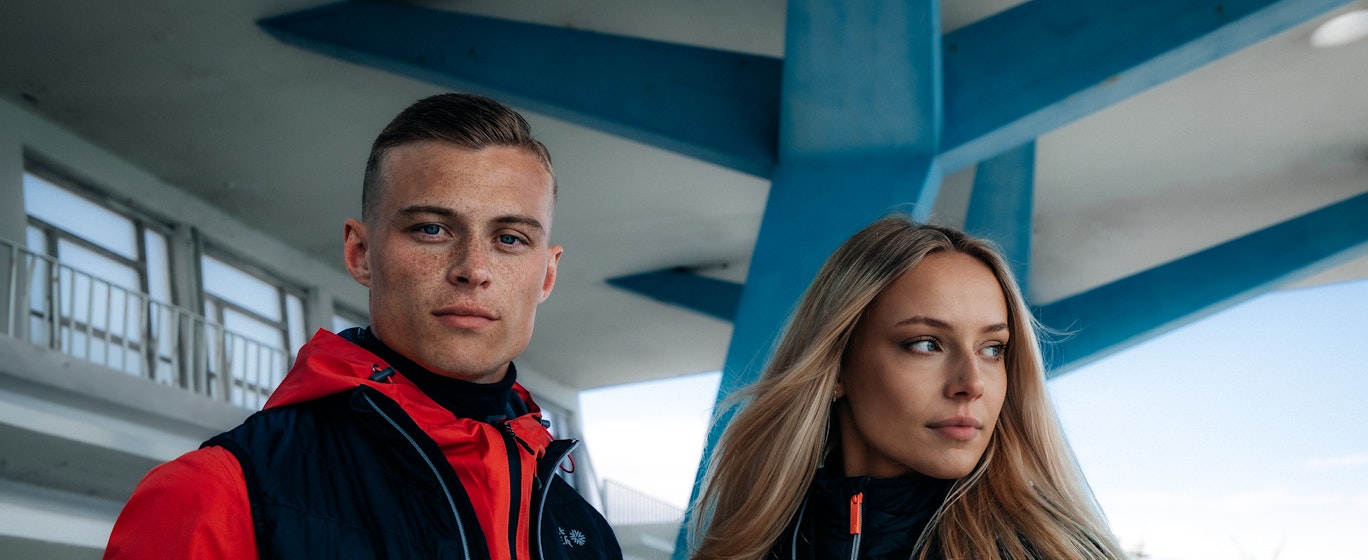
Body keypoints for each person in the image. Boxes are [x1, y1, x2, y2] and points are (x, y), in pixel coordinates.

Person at [105, 93, 622, 560]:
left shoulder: (587, 535)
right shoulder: (218, 494)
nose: (474, 269)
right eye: (432, 229)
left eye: (509, 238)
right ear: (361, 253)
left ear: (547, 273)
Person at [689, 217, 1127, 560]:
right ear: (838, 365)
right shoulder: (751, 543)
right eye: (926, 344)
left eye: (993, 349)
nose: (971, 384)